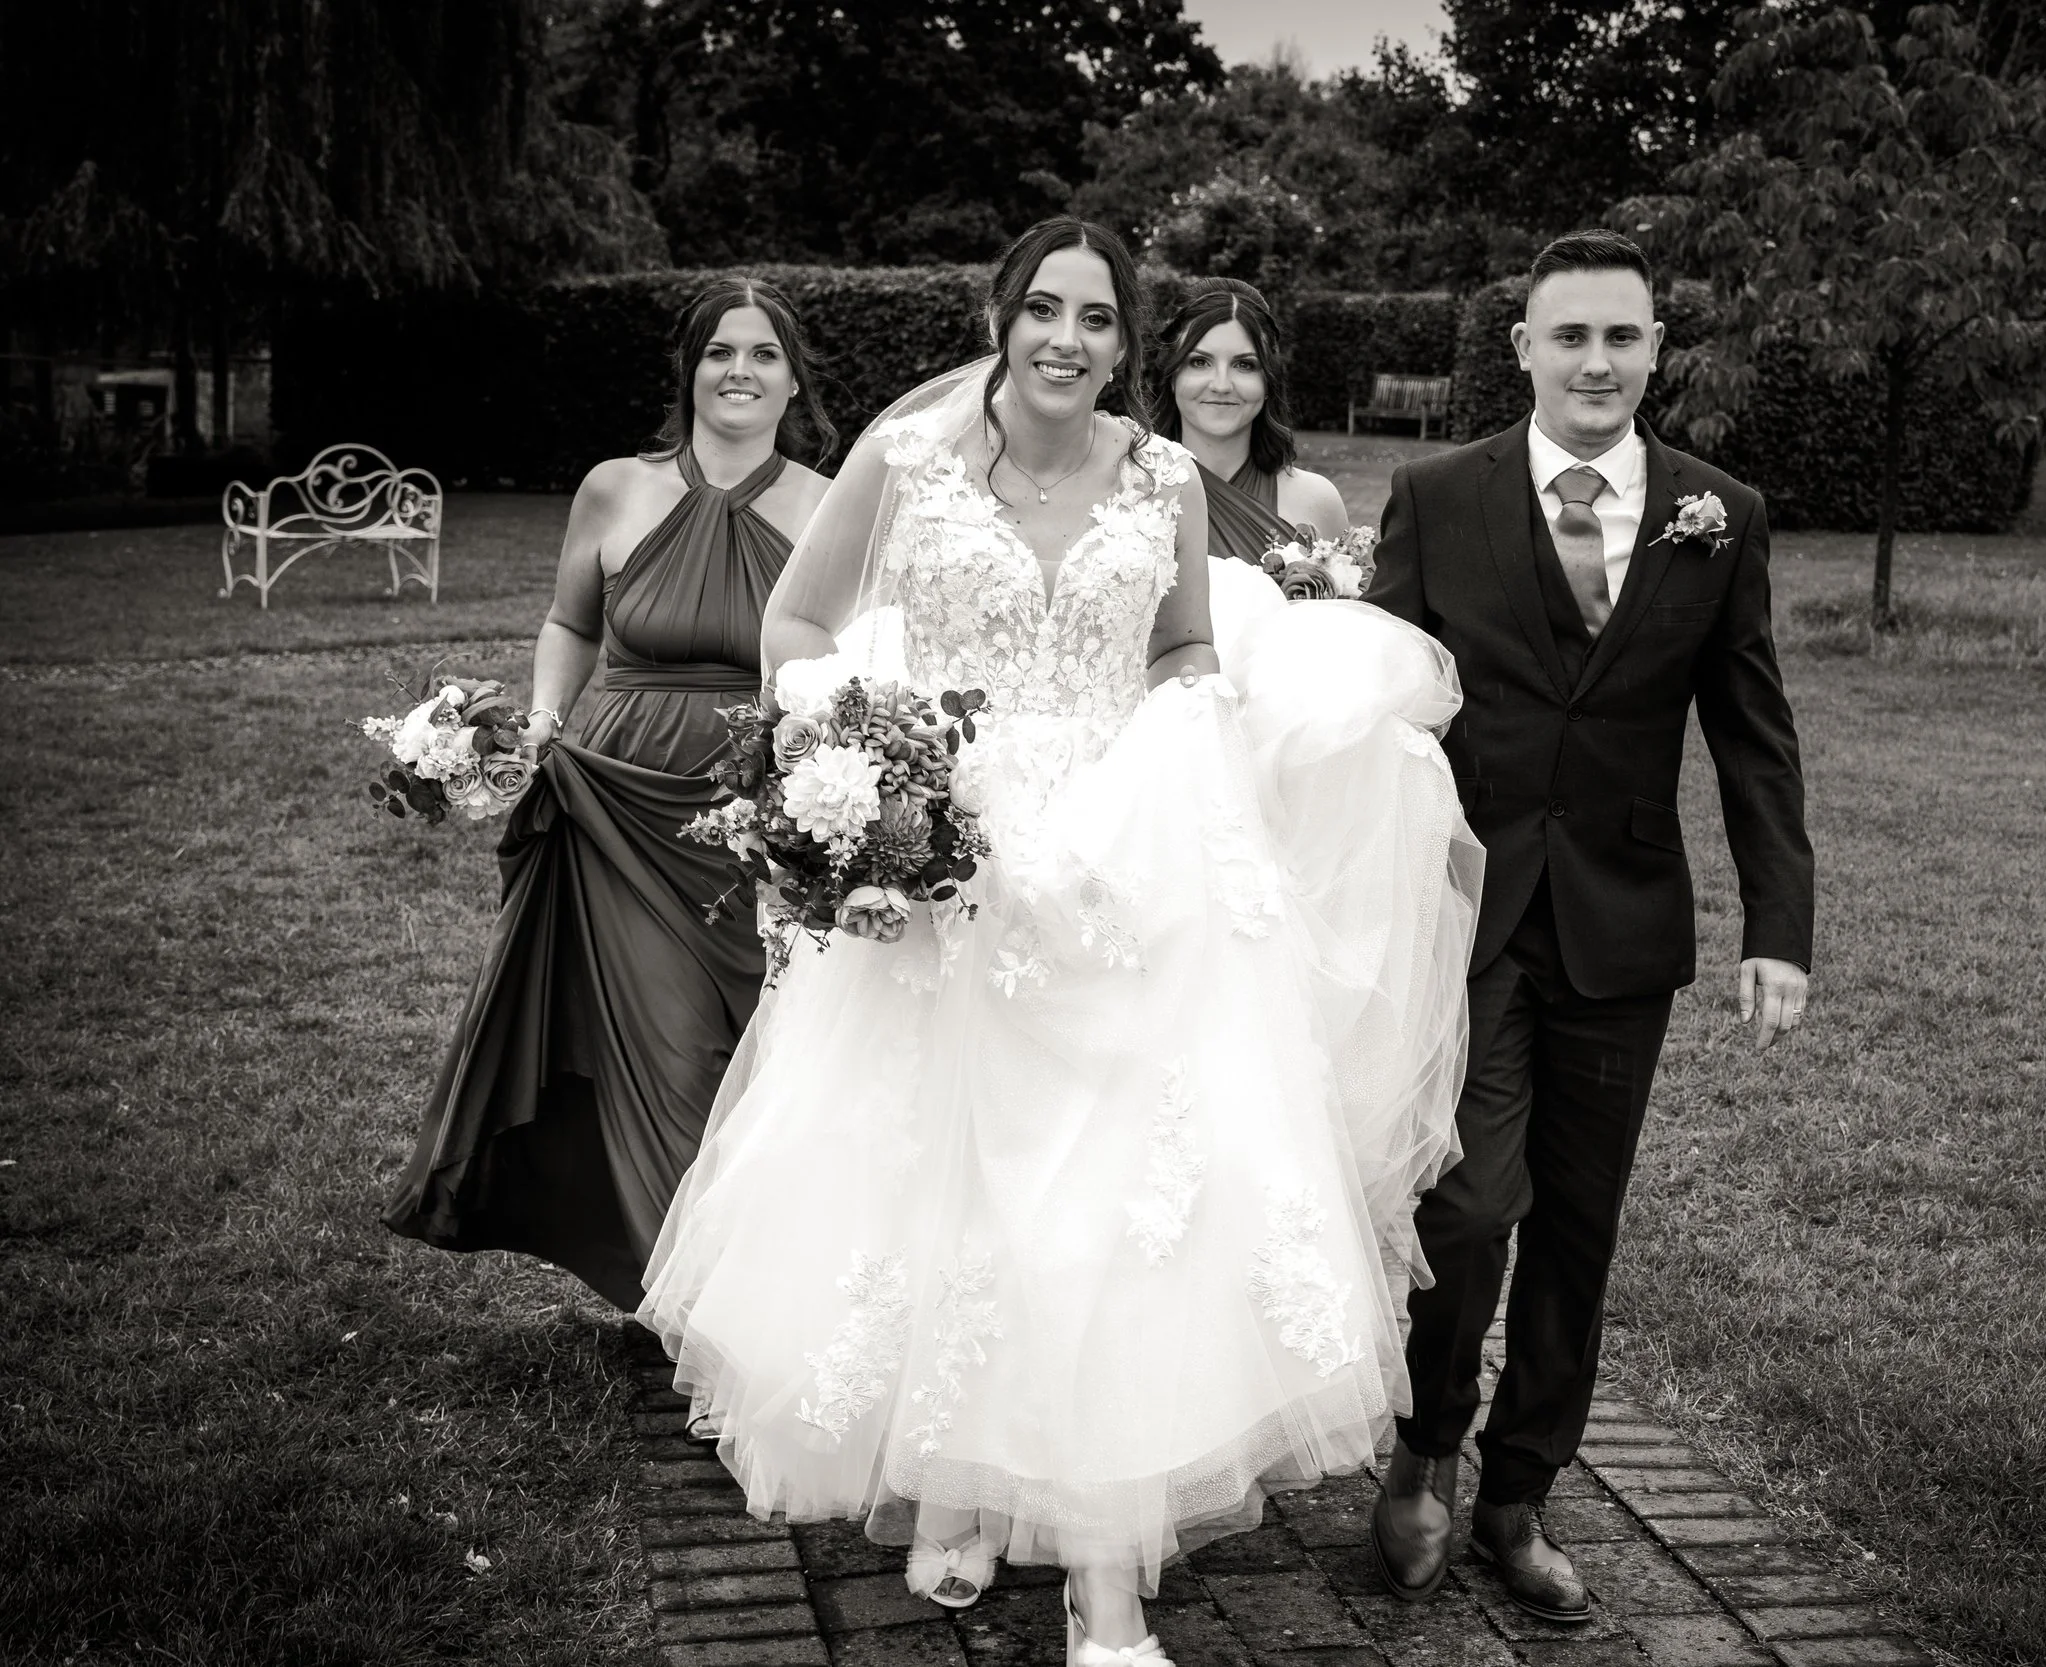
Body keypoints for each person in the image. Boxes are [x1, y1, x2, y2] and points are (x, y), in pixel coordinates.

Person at [637, 219, 1480, 1665]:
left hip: (1125, 868)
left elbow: (1181, 652)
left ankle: (1107, 1582)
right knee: (955, 1191)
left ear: (1122, 341)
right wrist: (867, 751)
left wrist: (1176, 755)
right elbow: (794, 622)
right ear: (999, 314)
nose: (1068, 341)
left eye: (1097, 320)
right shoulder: (903, 465)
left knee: (1110, 1212)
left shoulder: (1159, 477)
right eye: (1044, 310)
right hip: (951, 868)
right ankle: (966, 1479)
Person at [1363, 229, 1815, 1623]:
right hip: (1471, 917)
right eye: (1571, 336)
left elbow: (1752, 731)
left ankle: (1520, 1490)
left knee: (1578, 1224)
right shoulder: (1437, 497)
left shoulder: (1716, 511)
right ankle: (1424, 1454)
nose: (1598, 362)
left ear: (1654, 348)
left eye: (1622, 336)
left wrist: (1778, 923)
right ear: (1525, 349)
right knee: (1470, 1197)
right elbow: (1378, 710)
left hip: (1623, 924)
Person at [384, 277, 835, 1310]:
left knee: (755, 1050)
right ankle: (694, 1300)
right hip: (619, 800)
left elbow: (846, 653)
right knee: (666, 1049)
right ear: (687, 370)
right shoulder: (614, 489)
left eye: (764, 354)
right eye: (720, 352)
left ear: (794, 376)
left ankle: (759, 1279)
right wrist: (543, 717)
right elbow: (570, 621)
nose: (739, 372)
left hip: (752, 807)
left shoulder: (825, 504)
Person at [1149, 278, 1349, 564]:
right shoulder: (1132, 493)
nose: (1221, 385)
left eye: (1244, 365)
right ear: (1172, 377)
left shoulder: (1318, 500)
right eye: (1199, 362)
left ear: (1269, 382)